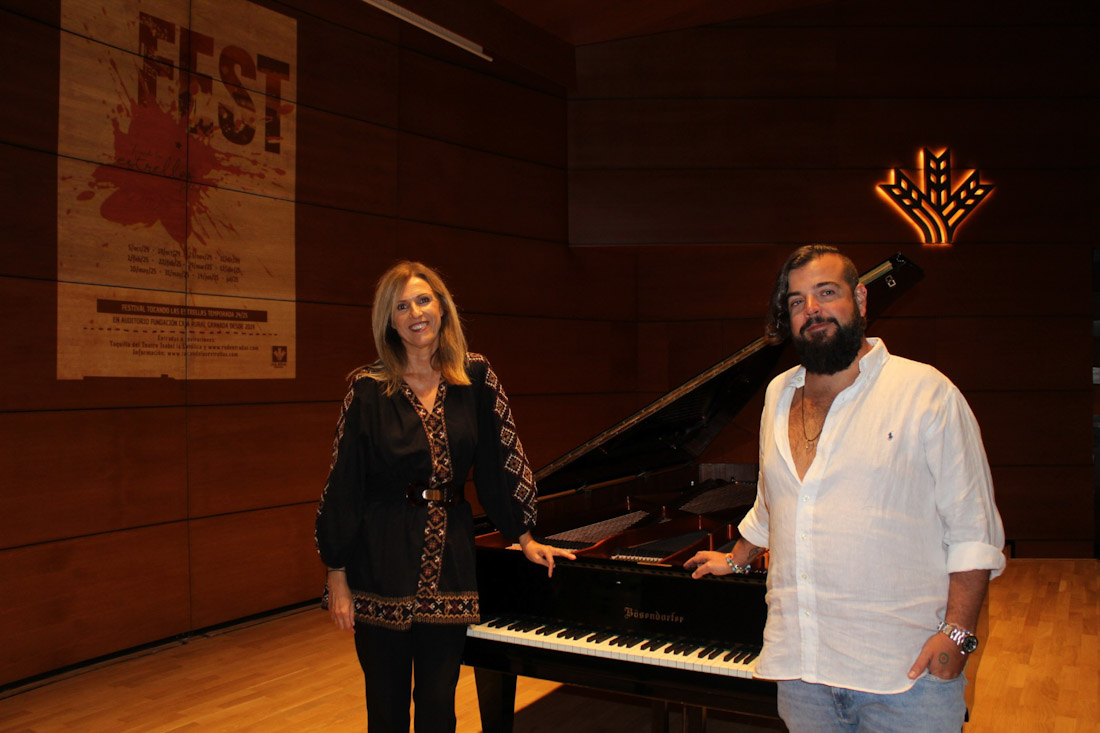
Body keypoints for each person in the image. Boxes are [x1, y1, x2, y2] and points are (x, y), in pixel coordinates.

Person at [684, 244, 1005, 732]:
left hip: (904, 674)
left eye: (826, 292)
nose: (811, 309)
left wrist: (958, 636)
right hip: (803, 673)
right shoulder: (777, 395)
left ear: (859, 298)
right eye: (796, 301)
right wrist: (736, 556)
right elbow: (775, 501)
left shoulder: (926, 392)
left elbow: (973, 531)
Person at [315, 261, 575, 733]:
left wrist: (524, 535)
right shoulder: (366, 388)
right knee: (387, 709)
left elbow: (500, 463)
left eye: (423, 300)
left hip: (450, 564)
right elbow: (344, 485)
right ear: (389, 321)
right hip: (380, 564)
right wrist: (337, 574)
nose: (415, 312)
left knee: (439, 706)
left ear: (442, 308)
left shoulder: (475, 377)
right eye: (401, 305)